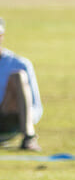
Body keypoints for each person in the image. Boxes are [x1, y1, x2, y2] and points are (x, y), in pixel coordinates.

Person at [0, 18, 43, 151]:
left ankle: (29, 137)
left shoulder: (19, 63)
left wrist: (27, 118)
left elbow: (36, 107)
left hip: (9, 118)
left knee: (17, 76)